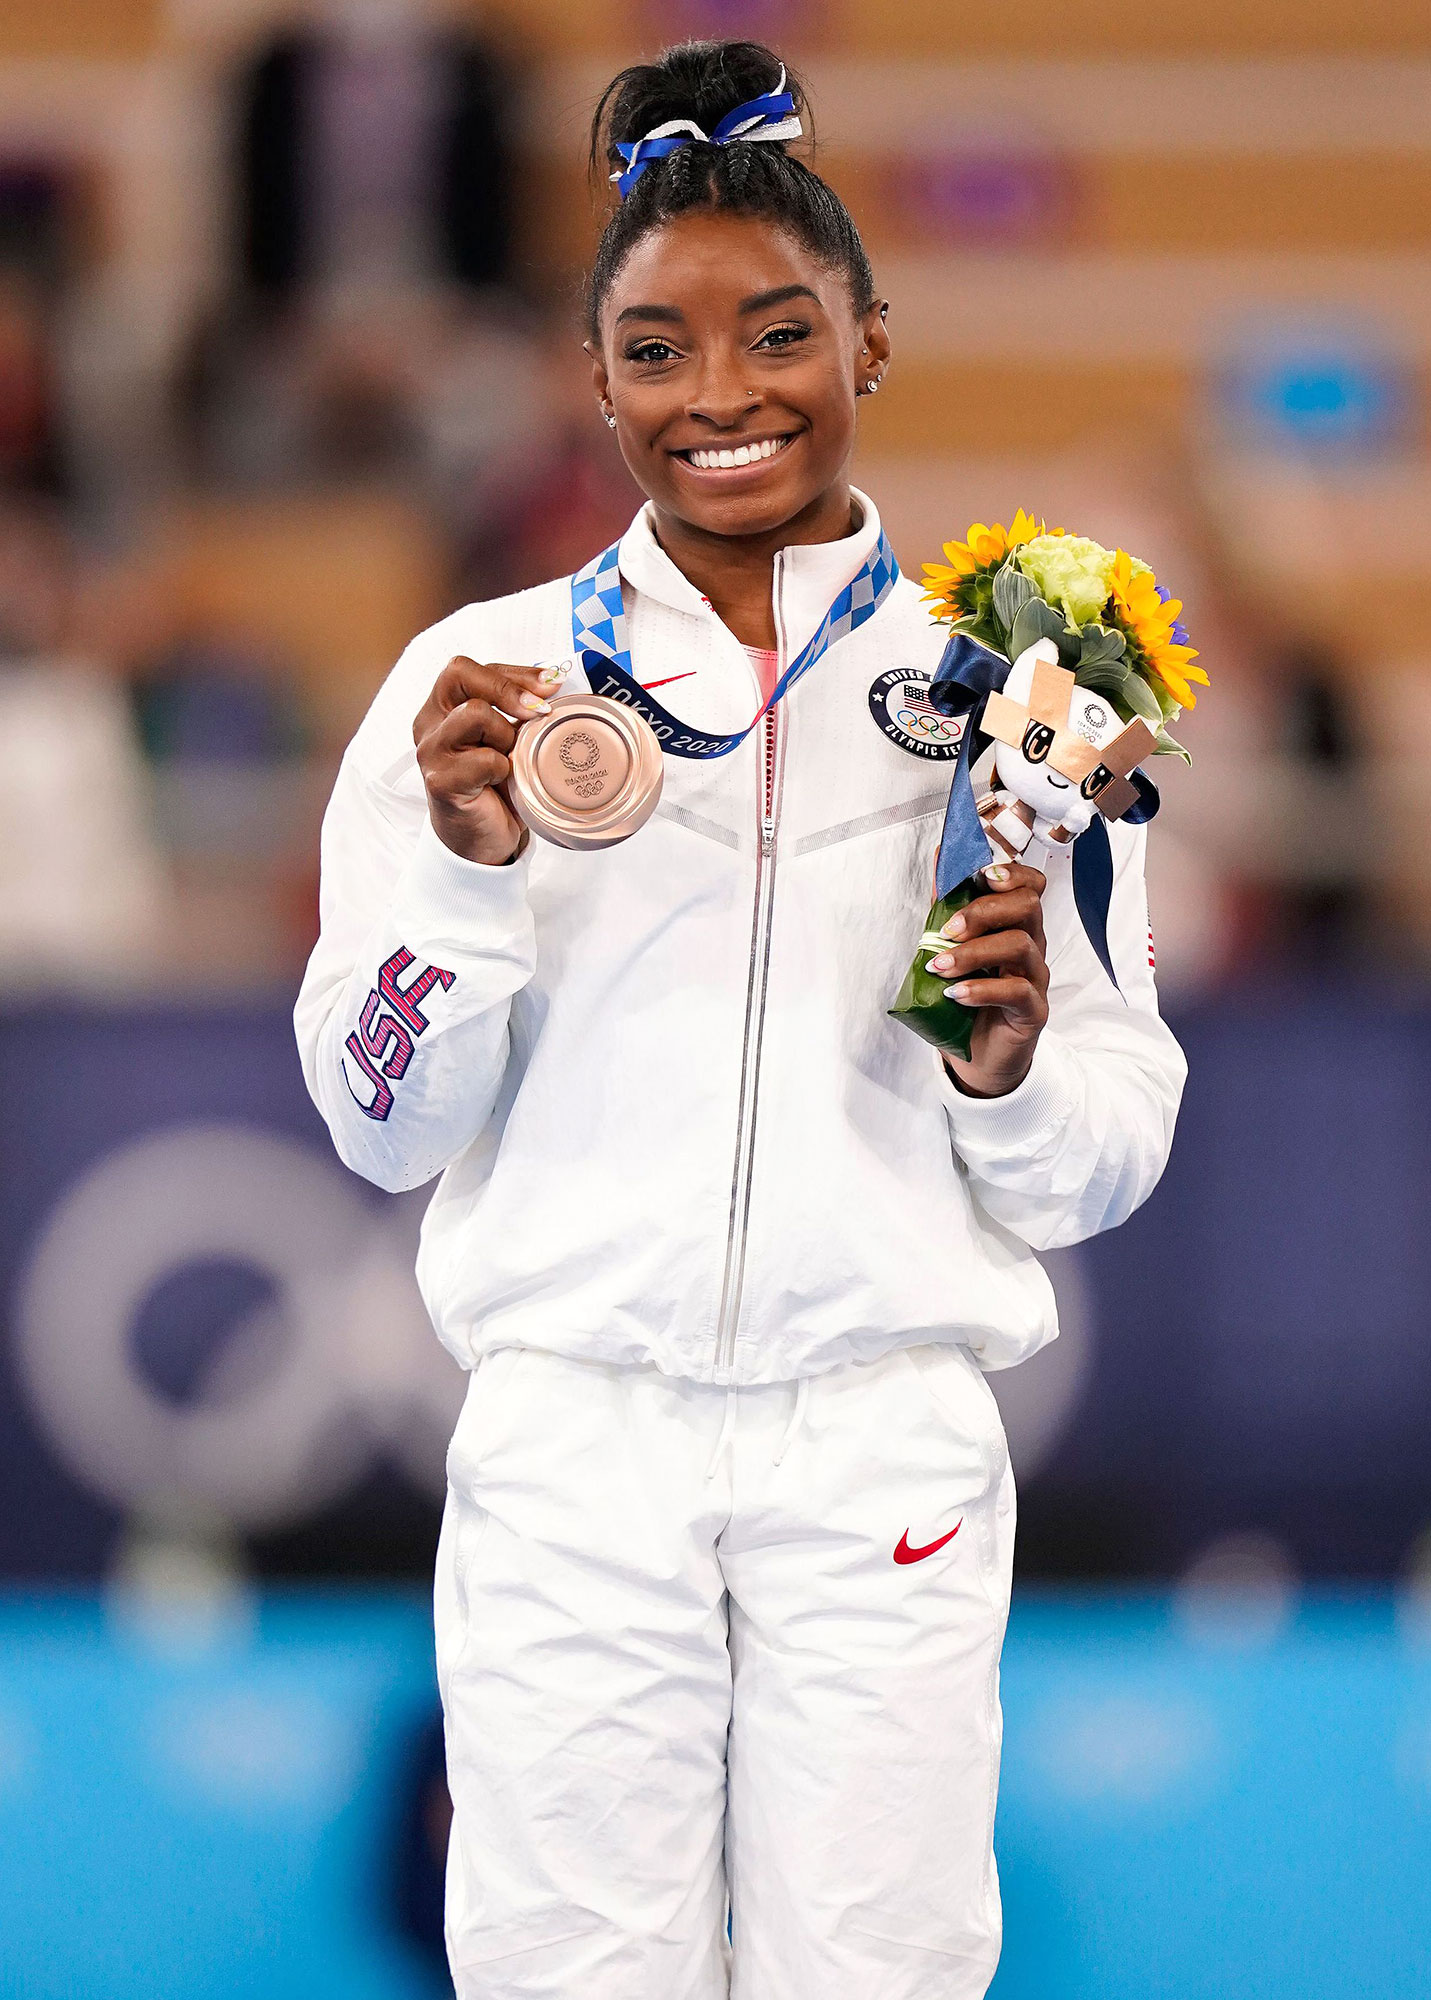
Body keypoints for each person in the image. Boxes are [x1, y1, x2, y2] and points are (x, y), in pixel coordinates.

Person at [295, 39, 1186, 2000]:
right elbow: (375, 1118)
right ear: (591, 378)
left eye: (773, 333)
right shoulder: (479, 677)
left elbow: (1109, 1142)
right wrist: (456, 875)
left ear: (869, 340)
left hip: (877, 1445)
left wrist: (1012, 1072)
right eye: (656, 350)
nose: (718, 396)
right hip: (568, 1438)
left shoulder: (1014, 693)